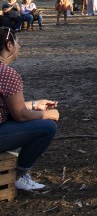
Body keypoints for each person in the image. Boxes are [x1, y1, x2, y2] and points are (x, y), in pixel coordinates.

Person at [0, 27, 59, 192]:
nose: (19, 47)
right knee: (47, 127)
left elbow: (6, 106)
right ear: (9, 46)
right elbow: (20, 115)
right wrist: (48, 114)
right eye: (17, 43)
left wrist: (34, 104)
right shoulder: (6, 73)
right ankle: (18, 176)